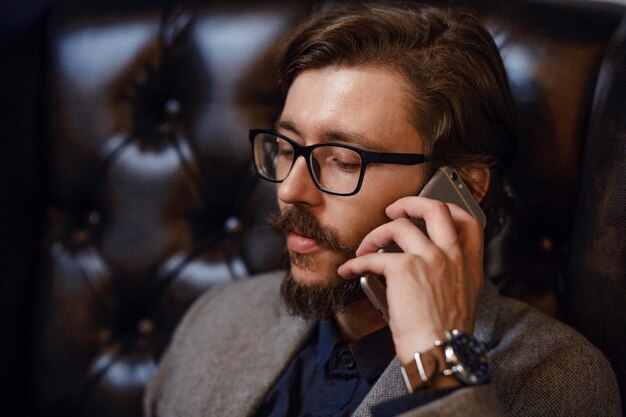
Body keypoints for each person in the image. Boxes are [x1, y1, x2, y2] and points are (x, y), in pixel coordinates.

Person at [144, 2, 621, 416]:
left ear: (459, 189)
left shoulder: (558, 379)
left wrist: (439, 363)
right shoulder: (220, 317)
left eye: (344, 160)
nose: (290, 190)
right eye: (288, 148)